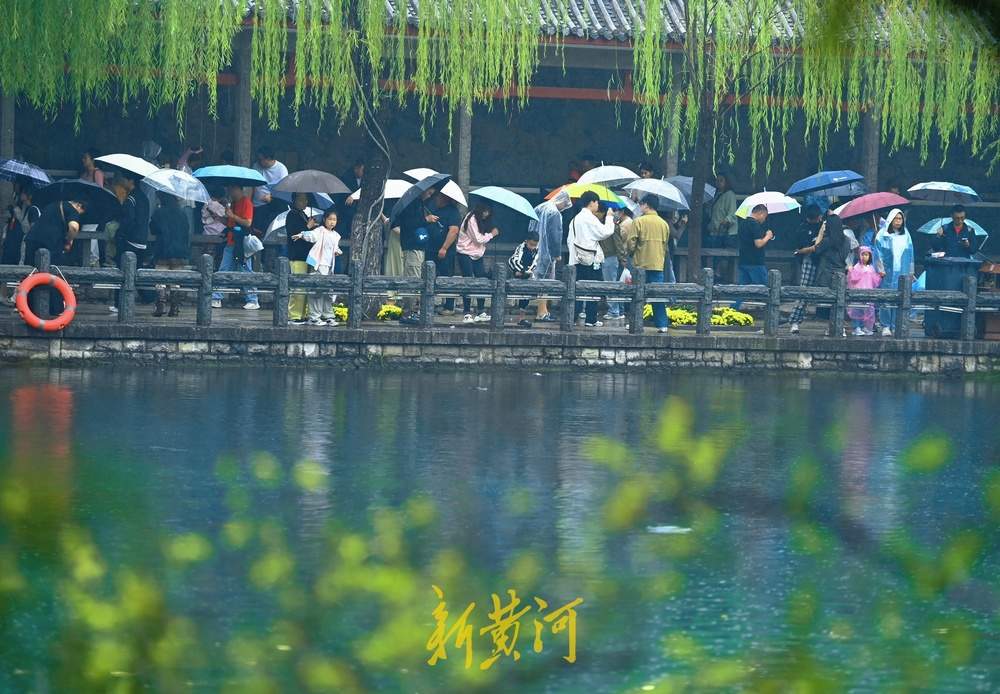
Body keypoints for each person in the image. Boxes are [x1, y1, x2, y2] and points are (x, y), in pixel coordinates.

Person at [22, 199, 84, 315]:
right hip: (51, 244)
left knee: (31, 273)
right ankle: (55, 308)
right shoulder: (72, 209)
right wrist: (69, 240)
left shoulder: (52, 204)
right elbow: (74, 227)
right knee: (53, 274)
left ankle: (28, 305)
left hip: (33, 239)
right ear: (78, 205)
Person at [621, 196, 670, 333]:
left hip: (641, 264)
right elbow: (665, 244)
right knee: (657, 295)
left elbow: (631, 243)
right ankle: (662, 324)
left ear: (646, 205)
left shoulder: (639, 221)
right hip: (658, 264)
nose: (640, 207)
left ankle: (635, 322)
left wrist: (631, 253)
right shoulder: (663, 224)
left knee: (638, 294)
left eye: (641, 204)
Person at [567, 190, 615, 327]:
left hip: (577, 259)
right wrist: (609, 217)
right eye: (597, 202)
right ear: (592, 202)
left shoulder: (575, 219)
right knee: (593, 289)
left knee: (576, 290)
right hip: (591, 259)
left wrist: (572, 259)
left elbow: (570, 240)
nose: (598, 205)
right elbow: (605, 232)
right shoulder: (590, 218)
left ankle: (573, 317)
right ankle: (591, 319)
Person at [396, 186, 440, 325]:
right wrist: (426, 219)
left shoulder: (421, 204)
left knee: (416, 279)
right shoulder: (410, 204)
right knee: (412, 279)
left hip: (419, 245)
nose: (429, 196)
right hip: (411, 245)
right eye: (429, 192)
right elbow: (408, 223)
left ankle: (412, 311)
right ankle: (408, 312)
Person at [292, 208, 342, 326]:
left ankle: (327, 315)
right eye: (330, 219)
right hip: (319, 265)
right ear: (324, 219)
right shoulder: (320, 230)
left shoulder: (336, 235)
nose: (332, 222)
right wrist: (302, 235)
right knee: (317, 291)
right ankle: (314, 316)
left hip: (329, 267)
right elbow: (311, 236)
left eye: (334, 220)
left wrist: (337, 251)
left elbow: (334, 248)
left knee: (328, 292)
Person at [211, 185, 258, 310]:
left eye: (233, 189)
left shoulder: (246, 202)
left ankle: (253, 299)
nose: (230, 192)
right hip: (231, 240)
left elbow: (248, 222)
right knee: (223, 269)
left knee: (245, 270)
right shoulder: (233, 203)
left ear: (239, 189)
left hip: (242, 242)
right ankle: (216, 297)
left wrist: (232, 216)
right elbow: (230, 222)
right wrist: (220, 218)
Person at [531, 190, 572, 322]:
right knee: (545, 281)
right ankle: (542, 312)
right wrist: (556, 253)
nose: (564, 208)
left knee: (538, 279)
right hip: (546, 252)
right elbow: (555, 235)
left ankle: (543, 310)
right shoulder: (554, 213)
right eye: (565, 205)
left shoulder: (539, 207)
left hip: (535, 248)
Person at [456, 202, 499, 323]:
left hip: (477, 254)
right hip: (465, 253)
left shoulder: (483, 220)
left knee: (482, 280)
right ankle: (467, 312)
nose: (486, 214)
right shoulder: (471, 219)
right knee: (468, 281)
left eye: (488, 212)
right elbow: (478, 239)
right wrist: (492, 234)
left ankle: (481, 311)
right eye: (485, 211)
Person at [874, 208, 914, 337]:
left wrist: (911, 271)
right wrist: (880, 269)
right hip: (888, 271)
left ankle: (896, 325)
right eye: (896, 218)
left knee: (901, 298)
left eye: (900, 218)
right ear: (891, 219)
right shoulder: (882, 234)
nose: (898, 221)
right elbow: (877, 253)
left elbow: (910, 254)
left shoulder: (906, 235)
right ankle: (885, 325)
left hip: (902, 271)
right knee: (886, 297)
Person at [149, 193, 191, 317]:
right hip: (179, 251)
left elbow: (153, 229)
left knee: (160, 277)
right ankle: (174, 307)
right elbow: (186, 231)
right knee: (176, 279)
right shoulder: (182, 213)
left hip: (162, 249)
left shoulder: (159, 212)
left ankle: (161, 305)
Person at [788, 204, 824, 332]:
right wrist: (814, 248)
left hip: (824, 262)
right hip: (809, 261)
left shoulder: (823, 226)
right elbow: (799, 249)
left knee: (827, 294)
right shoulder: (802, 229)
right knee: (804, 292)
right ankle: (795, 321)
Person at [284, 193, 318, 324]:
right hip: (297, 255)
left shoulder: (303, 215)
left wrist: (312, 227)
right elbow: (294, 234)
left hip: (307, 255)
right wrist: (308, 227)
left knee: (305, 287)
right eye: (301, 199)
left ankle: (303, 313)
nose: (304, 202)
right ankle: (294, 314)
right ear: (295, 201)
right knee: (298, 287)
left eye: (305, 199)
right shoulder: (292, 215)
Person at [427, 192, 461, 315]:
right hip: (430, 248)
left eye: (438, 197)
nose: (436, 199)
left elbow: (453, 231)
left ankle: (449, 305)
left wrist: (444, 248)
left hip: (445, 251)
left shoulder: (453, 212)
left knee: (447, 277)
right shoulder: (433, 209)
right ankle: (429, 303)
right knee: (429, 277)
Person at [735, 204, 774, 310]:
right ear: (760, 213)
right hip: (755, 262)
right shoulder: (754, 225)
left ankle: (733, 309)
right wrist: (767, 236)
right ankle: (772, 311)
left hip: (743, 260)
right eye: (765, 216)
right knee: (768, 289)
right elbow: (758, 243)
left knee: (741, 290)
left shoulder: (743, 223)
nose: (764, 219)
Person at [251, 146, 289, 236]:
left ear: (268, 159)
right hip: (258, 205)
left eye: (262, 159)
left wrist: (272, 197)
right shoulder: (256, 166)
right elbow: (252, 187)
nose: (259, 162)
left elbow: (284, 190)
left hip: (274, 204)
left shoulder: (281, 169)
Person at [600, 205, 627, 321]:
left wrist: (623, 259)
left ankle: (614, 311)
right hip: (607, 257)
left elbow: (618, 244)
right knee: (612, 283)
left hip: (610, 258)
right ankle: (617, 310)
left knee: (610, 284)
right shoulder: (604, 225)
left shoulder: (612, 226)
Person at [846, 246, 881, 336]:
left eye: (866, 255)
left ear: (870, 256)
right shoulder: (857, 267)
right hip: (858, 292)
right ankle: (856, 327)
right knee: (857, 310)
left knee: (868, 311)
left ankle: (866, 327)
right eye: (863, 254)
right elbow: (853, 278)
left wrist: (880, 276)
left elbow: (875, 281)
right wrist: (850, 271)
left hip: (868, 293)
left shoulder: (871, 268)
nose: (864, 257)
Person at [508, 231, 539, 327]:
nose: (532, 247)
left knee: (526, 296)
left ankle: (522, 318)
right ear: (526, 241)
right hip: (517, 270)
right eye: (531, 244)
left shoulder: (536, 250)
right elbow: (514, 261)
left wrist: (529, 270)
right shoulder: (521, 248)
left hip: (528, 272)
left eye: (535, 245)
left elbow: (535, 262)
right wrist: (521, 270)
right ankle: (520, 317)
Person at [706, 172, 738, 248]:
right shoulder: (716, 195)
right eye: (717, 181)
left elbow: (732, 213)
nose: (718, 183)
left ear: (726, 182)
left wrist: (725, 222)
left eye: (721, 180)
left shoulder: (730, 195)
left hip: (727, 233)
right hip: (715, 232)